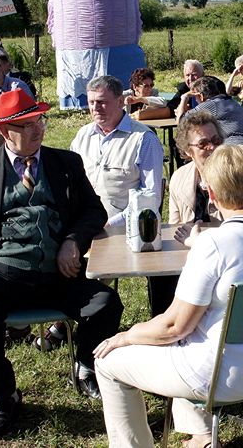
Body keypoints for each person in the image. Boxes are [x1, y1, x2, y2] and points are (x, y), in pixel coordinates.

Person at [0, 88, 124, 438]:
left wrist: (72, 241)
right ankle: (2, 396)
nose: (38, 129)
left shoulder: (65, 163)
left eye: (40, 120)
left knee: (105, 304)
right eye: (27, 124)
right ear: (5, 132)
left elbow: (93, 211)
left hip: (57, 275)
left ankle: (85, 366)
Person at [94, 144, 243, 448]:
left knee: (108, 362)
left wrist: (126, 336)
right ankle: (201, 435)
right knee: (192, 335)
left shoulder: (213, 244)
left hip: (221, 376)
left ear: (211, 194)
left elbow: (173, 327)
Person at [71, 74, 166, 320]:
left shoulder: (143, 139)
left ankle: (66, 324)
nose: (95, 108)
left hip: (120, 229)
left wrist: (108, 224)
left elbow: (151, 198)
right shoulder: (83, 136)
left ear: (121, 101)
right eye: (91, 102)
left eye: (102, 102)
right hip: (81, 225)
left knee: (88, 275)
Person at [177, 76, 243, 149]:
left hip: (233, 150)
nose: (196, 100)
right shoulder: (232, 101)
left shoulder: (211, 104)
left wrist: (184, 98)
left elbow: (181, 121)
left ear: (201, 96)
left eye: (195, 96)